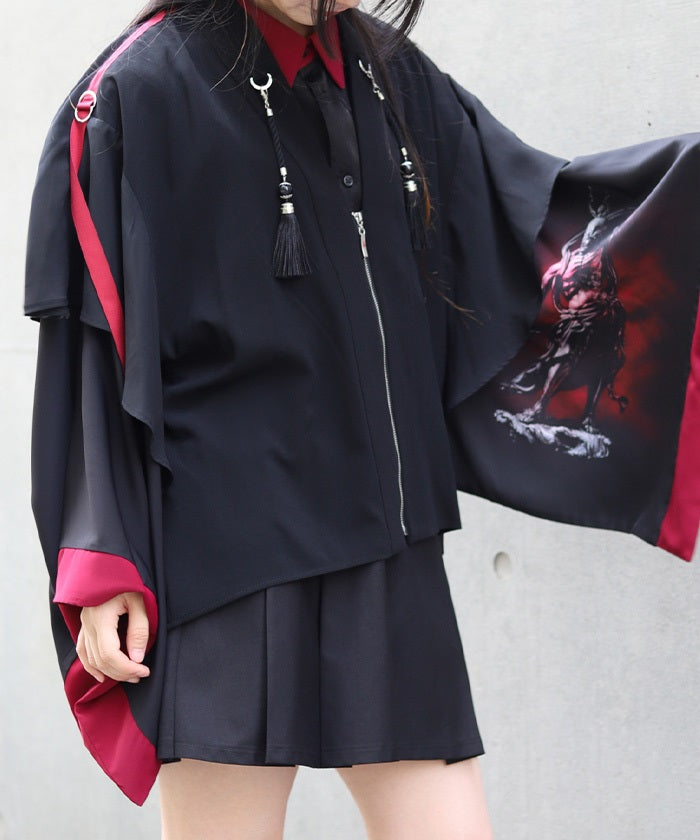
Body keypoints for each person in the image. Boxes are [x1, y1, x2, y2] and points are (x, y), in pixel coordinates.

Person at [24, 0, 699, 838]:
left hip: (386, 541)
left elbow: (523, 223)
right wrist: (103, 558)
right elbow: (96, 341)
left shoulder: (387, 71)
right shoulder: (142, 87)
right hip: (230, 550)